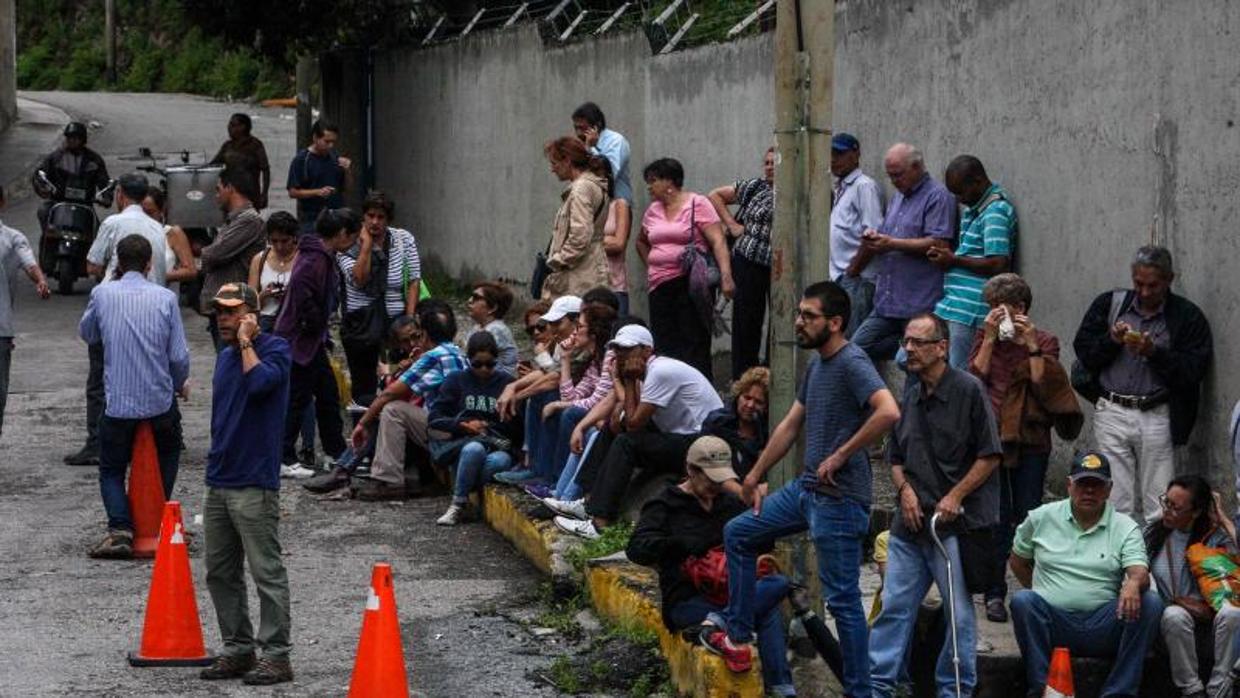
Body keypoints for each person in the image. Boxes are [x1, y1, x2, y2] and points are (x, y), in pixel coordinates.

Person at [707, 282, 898, 698]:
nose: (798, 321)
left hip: (840, 500)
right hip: (806, 491)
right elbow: (790, 425)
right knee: (739, 532)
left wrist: (842, 453)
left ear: (835, 322)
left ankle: (860, 691)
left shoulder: (852, 361)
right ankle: (739, 636)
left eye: (808, 315)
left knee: (843, 602)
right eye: (799, 313)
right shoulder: (817, 367)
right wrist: (755, 475)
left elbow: (889, 410)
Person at [869, 313, 1001, 698]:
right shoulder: (909, 394)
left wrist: (956, 495)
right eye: (905, 341)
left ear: (941, 348)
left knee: (959, 615)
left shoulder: (968, 391)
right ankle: (879, 685)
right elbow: (894, 457)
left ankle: (955, 690)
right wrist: (905, 491)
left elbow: (990, 455)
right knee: (893, 607)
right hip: (909, 524)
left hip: (952, 527)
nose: (907, 349)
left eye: (917, 342)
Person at [626, 436, 797, 696]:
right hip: (689, 597)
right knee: (764, 612)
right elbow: (637, 549)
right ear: (691, 471)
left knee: (778, 585)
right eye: (709, 479)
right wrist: (683, 545)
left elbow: (763, 545)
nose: (716, 486)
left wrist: (759, 512)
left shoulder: (728, 503)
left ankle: (780, 686)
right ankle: (781, 688)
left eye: (720, 480)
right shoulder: (665, 504)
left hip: (731, 590)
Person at [969, 273, 1082, 622]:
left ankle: (1034, 587)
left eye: (998, 308)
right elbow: (975, 378)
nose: (992, 314)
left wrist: (1030, 342)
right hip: (993, 438)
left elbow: (1040, 382)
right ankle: (994, 592)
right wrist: (989, 338)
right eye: (989, 308)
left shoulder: (1045, 340)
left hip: (1031, 440)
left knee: (1030, 514)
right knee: (996, 517)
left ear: (1019, 308)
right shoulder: (983, 337)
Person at [1072, 245, 1213, 523]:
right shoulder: (1110, 305)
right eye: (1139, 284)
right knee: (1115, 499)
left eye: (1153, 285)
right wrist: (1112, 340)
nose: (1145, 292)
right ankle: (1119, 562)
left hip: (1157, 412)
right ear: (1132, 277)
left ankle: (1155, 562)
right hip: (1112, 408)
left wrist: (1154, 354)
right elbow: (1084, 352)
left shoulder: (1187, 317)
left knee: (1160, 500)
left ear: (1169, 279)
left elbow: (1193, 371)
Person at [198, 282, 294, 685]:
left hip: (254, 481)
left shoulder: (275, 350)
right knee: (220, 571)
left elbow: (259, 385)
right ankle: (238, 648)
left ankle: (276, 655)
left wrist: (245, 343)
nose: (223, 318)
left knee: (265, 572)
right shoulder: (223, 358)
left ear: (252, 316)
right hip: (220, 478)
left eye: (233, 311)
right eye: (220, 311)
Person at [1009, 451, 1162, 697]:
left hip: (1104, 625)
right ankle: (1043, 690)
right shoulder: (1040, 518)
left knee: (1151, 602)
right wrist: (1044, 591)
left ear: (1109, 489)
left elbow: (1138, 570)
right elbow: (1017, 561)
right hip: (1055, 623)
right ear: (1069, 485)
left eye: (1097, 485)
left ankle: (1119, 692)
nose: (1089, 491)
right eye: (1082, 484)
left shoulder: (1125, 526)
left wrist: (1133, 583)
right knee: (1023, 601)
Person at [551, 324, 724, 540]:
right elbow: (627, 420)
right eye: (617, 350)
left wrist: (628, 381)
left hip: (701, 444)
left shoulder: (660, 372)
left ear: (647, 350)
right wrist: (624, 389)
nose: (620, 356)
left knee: (627, 442)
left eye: (627, 349)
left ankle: (600, 523)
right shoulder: (647, 372)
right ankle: (587, 500)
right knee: (613, 430)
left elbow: (634, 425)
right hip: (681, 436)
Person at [78, 235, 189, 558]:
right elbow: (179, 357)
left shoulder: (102, 294)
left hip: (118, 403)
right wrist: (179, 384)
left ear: (117, 263)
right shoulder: (165, 298)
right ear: (150, 264)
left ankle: (120, 528)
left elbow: (88, 334)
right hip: (158, 400)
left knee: (111, 467)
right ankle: (158, 512)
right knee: (169, 451)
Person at [65, 173, 168, 466]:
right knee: (147, 374)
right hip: (152, 309)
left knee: (100, 378)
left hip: (116, 309)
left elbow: (92, 264)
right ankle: (146, 438)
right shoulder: (156, 227)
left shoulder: (113, 223)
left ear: (120, 194)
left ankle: (97, 442)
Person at [348, 301, 467, 501]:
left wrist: (362, 424)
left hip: (447, 429)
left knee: (393, 410)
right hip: (458, 424)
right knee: (398, 408)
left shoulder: (433, 356)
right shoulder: (455, 351)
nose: (413, 342)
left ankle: (389, 480)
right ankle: (417, 477)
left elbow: (390, 394)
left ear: (426, 335)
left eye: (417, 335)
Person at [850, 143, 957, 362]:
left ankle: (912, 352)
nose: (894, 181)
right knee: (855, 349)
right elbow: (891, 234)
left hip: (918, 302)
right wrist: (875, 237)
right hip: (888, 301)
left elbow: (938, 243)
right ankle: (903, 344)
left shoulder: (937, 196)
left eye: (898, 175)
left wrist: (892, 243)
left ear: (917, 167)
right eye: (890, 176)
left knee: (912, 364)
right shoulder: (898, 196)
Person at [274, 208, 359, 478]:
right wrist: (312, 320)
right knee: (299, 398)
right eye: (353, 235)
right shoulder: (315, 258)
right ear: (342, 234)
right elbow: (301, 288)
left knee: (327, 394)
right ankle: (284, 456)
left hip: (308, 341)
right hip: (299, 341)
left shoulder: (320, 255)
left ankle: (335, 450)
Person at [637, 158, 735, 381]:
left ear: (669, 181)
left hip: (690, 283)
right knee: (664, 345)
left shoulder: (697, 204)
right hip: (659, 286)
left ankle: (699, 396)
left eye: (653, 181)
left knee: (694, 343)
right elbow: (641, 241)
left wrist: (726, 276)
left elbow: (718, 241)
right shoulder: (653, 210)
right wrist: (652, 263)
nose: (649, 187)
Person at [1147, 476, 1240, 698]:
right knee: (1173, 614)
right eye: (1165, 502)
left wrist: (1224, 520)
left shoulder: (1217, 538)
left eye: (1175, 507)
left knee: (1233, 612)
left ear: (1196, 511)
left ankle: (1219, 689)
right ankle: (1192, 690)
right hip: (1174, 632)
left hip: (1217, 628)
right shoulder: (1153, 535)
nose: (1167, 511)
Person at [518, 303, 616, 497]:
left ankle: (554, 481)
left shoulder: (609, 357)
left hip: (607, 416)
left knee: (568, 412)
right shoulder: (594, 359)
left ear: (594, 333)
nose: (575, 333)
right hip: (595, 413)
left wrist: (559, 404)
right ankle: (543, 474)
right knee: (558, 406)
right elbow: (571, 396)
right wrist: (564, 359)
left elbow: (595, 401)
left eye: (580, 327)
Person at [930, 155, 1017, 367]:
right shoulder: (975, 208)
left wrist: (954, 260)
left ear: (978, 181)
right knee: (911, 357)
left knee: (958, 371)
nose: (959, 199)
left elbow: (999, 264)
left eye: (961, 191)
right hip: (953, 305)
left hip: (970, 311)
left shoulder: (995, 211)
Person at [336, 192, 422, 404]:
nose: (375, 222)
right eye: (370, 216)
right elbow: (359, 279)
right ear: (363, 217)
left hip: (395, 320)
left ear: (388, 219)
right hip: (361, 323)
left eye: (380, 217)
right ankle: (363, 429)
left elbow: (414, 280)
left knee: (402, 378)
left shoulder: (403, 239)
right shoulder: (348, 243)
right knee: (364, 383)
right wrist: (366, 247)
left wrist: (409, 320)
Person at [431, 332, 520, 526]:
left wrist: (490, 426)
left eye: (490, 364)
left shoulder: (506, 383)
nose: (484, 370)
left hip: (497, 445)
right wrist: (463, 426)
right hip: (464, 445)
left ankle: (462, 494)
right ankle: (458, 504)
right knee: (474, 450)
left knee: (500, 461)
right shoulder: (456, 380)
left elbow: (517, 427)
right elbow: (435, 417)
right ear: (469, 360)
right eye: (478, 364)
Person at [495, 295, 582, 484]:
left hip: (582, 399)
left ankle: (545, 473)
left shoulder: (578, 341)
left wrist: (518, 395)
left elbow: (554, 379)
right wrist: (513, 387)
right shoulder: (564, 341)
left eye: (557, 323)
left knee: (547, 397)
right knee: (536, 395)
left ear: (576, 321)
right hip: (571, 394)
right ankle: (534, 466)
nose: (551, 329)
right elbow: (547, 373)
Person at [708, 148, 775, 380]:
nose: (769, 166)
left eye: (774, 162)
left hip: (780, 267)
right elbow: (715, 195)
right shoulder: (755, 187)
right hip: (748, 260)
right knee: (747, 323)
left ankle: (770, 379)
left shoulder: (792, 191)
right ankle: (743, 380)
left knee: (779, 324)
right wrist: (731, 224)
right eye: (766, 162)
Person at [0, 185, 51, 441]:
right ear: (3, 202)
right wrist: (40, 281)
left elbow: (30, 264)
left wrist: (39, 279)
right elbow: (30, 264)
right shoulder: (11, 237)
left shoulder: (12, 238)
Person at [572, 104, 633, 315]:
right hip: (593, 207)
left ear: (596, 126)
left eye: (583, 128)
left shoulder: (615, 142)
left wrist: (592, 148)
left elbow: (607, 175)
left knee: (613, 269)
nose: (579, 133)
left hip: (615, 206)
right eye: (576, 128)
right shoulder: (583, 145)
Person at [202, 168, 266, 351]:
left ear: (230, 188)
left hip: (235, 310)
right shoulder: (233, 221)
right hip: (224, 308)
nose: (216, 196)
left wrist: (205, 255)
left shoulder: (249, 220)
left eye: (218, 189)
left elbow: (212, 254)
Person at [828, 133, 884, 337]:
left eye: (840, 154)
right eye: (831, 154)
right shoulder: (842, 187)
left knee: (851, 344)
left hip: (857, 280)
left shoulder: (864, 186)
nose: (834, 160)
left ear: (855, 154)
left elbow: (873, 235)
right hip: (841, 278)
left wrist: (853, 270)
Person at [541, 136, 611, 300]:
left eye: (554, 163)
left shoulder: (581, 188)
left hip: (580, 275)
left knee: (573, 322)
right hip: (589, 268)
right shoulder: (592, 185)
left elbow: (580, 236)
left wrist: (557, 261)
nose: (552, 169)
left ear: (568, 161)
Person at [33, 121, 111, 231]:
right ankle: (45, 246)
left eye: (75, 138)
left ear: (83, 139)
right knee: (43, 211)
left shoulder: (94, 160)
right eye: (69, 137)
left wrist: (106, 196)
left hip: (85, 205)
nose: (71, 140)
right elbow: (40, 174)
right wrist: (42, 187)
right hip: (58, 202)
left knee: (98, 232)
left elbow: (104, 181)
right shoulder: (55, 158)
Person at [701, 366, 770, 480]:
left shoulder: (767, 433)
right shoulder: (718, 423)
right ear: (738, 396)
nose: (750, 405)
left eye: (758, 402)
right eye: (747, 398)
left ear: (766, 407)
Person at [286, 121, 350, 233]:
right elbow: (293, 192)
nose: (330, 145)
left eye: (333, 142)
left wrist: (347, 170)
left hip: (336, 216)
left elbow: (346, 187)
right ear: (315, 138)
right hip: (312, 219)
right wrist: (317, 192)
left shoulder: (335, 157)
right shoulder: (302, 160)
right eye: (327, 141)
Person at [247, 211, 300, 333]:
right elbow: (250, 302)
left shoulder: (302, 259)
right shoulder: (260, 259)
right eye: (274, 241)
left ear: (294, 237)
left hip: (294, 322)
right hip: (266, 321)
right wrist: (264, 295)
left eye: (284, 241)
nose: (279, 246)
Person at [209, 112, 272, 210]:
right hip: (229, 195)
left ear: (242, 127)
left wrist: (264, 194)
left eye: (232, 125)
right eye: (229, 125)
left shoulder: (255, 145)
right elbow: (213, 166)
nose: (229, 128)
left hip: (250, 195)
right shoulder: (227, 146)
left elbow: (265, 170)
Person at [139, 185, 197, 289]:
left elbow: (190, 271)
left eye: (150, 213)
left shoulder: (172, 233)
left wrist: (159, 276)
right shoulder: (133, 232)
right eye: (142, 213)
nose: (145, 218)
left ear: (161, 211)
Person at [464, 281, 518, 376]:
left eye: (476, 298)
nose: (470, 300)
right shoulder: (479, 326)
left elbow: (473, 362)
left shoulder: (496, 330)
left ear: (492, 308)